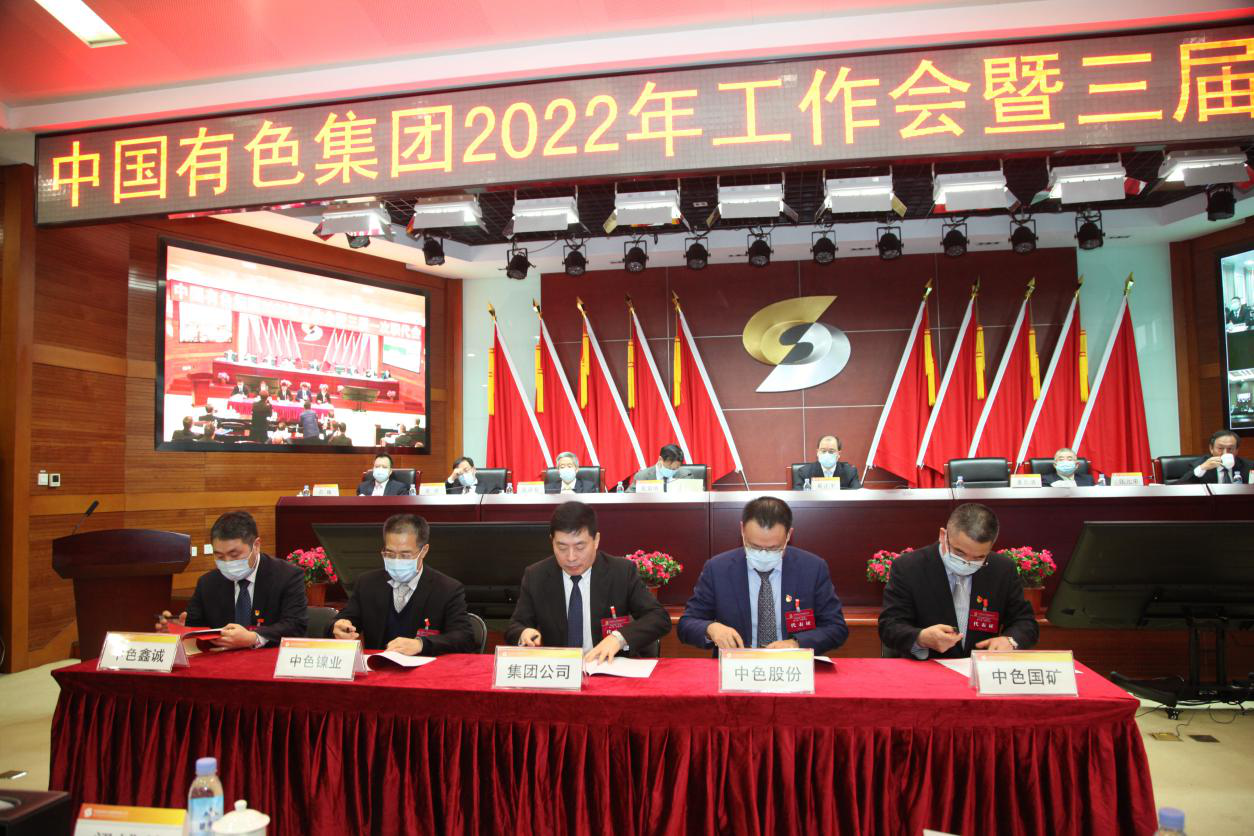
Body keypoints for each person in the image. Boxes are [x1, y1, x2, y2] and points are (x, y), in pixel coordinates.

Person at [677, 496, 848, 654]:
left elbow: (836, 628)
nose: (763, 554)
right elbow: (686, 624)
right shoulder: (718, 569)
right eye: (755, 547)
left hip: (792, 667)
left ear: (789, 535)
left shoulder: (812, 568)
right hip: (738, 668)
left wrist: (796, 643)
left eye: (774, 548)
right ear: (742, 530)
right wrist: (711, 628)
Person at [506, 501, 671, 662]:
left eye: (580, 547)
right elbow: (515, 625)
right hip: (559, 669)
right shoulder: (536, 576)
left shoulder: (621, 572)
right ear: (552, 541)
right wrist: (523, 633)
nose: (571, 557)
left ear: (596, 540)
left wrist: (618, 638)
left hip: (607, 668)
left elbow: (658, 618)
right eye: (562, 547)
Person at [878, 503, 1037, 660]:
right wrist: (921, 638)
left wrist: (1010, 641)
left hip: (980, 667)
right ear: (943, 535)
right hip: (926, 667)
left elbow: (1025, 621)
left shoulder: (1002, 569)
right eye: (959, 553)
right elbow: (889, 626)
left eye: (978, 557)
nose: (967, 563)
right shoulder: (909, 567)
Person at [329, 514, 477, 654]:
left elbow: (464, 637)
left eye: (405, 555)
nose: (397, 561)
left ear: (424, 551)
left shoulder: (447, 589)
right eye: (390, 554)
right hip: (378, 667)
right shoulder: (367, 583)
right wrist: (338, 627)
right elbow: (343, 621)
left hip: (426, 669)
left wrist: (421, 644)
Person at [156, 511, 307, 647]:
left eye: (234, 555)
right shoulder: (207, 583)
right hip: (220, 661)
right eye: (219, 556)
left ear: (256, 546)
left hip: (270, 661)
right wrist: (180, 628)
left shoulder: (287, 576)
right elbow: (195, 626)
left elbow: (295, 625)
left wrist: (253, 637)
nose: (227, 562)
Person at [1171, 429, 1251, 484]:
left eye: (1230, 449)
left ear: (1237, 450)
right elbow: (1178, 487)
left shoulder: (1249, 466)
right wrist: (1202, 468)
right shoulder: (1199, 465)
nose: (1225, 453)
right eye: (1220, 448)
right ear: (1211, 449)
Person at [791, 435, 862, 489]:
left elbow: (858, 495)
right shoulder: (804, 472)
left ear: (838, 454)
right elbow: (798, 496)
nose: (827, 454)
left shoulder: (850, 472)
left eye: (831, 451)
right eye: (823, 451)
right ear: (817, 452)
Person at [627, 444, 701, 492]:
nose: (672, 471)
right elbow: (628, 498)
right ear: (660, 459)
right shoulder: (642, 476)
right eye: (669, 468)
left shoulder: (686, 475)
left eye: (675, 469)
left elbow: (697, 498)